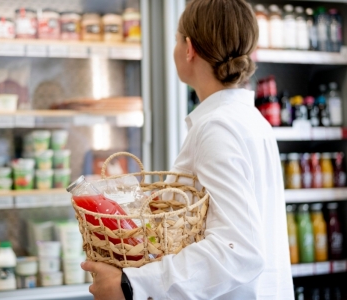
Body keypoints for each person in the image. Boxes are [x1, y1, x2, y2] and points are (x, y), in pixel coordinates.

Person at [81, 0, 294, 299]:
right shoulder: (250, 120)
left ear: (189, 48)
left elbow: (239, 251)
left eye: (177, 39)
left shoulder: (216, 128)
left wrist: (132, 285)